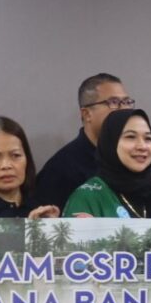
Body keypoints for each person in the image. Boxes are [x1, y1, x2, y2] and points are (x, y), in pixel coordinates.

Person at [34, 73, 135, 211]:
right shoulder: (61, 170)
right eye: (114, 102)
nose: (124, 110)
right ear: (86, 114)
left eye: (127, 102)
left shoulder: (134, 159)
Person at [65, 109, 151, 218]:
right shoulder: (89, 196)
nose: (142, 146)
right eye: (130, 137)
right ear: (110, 143)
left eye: (148, 138)